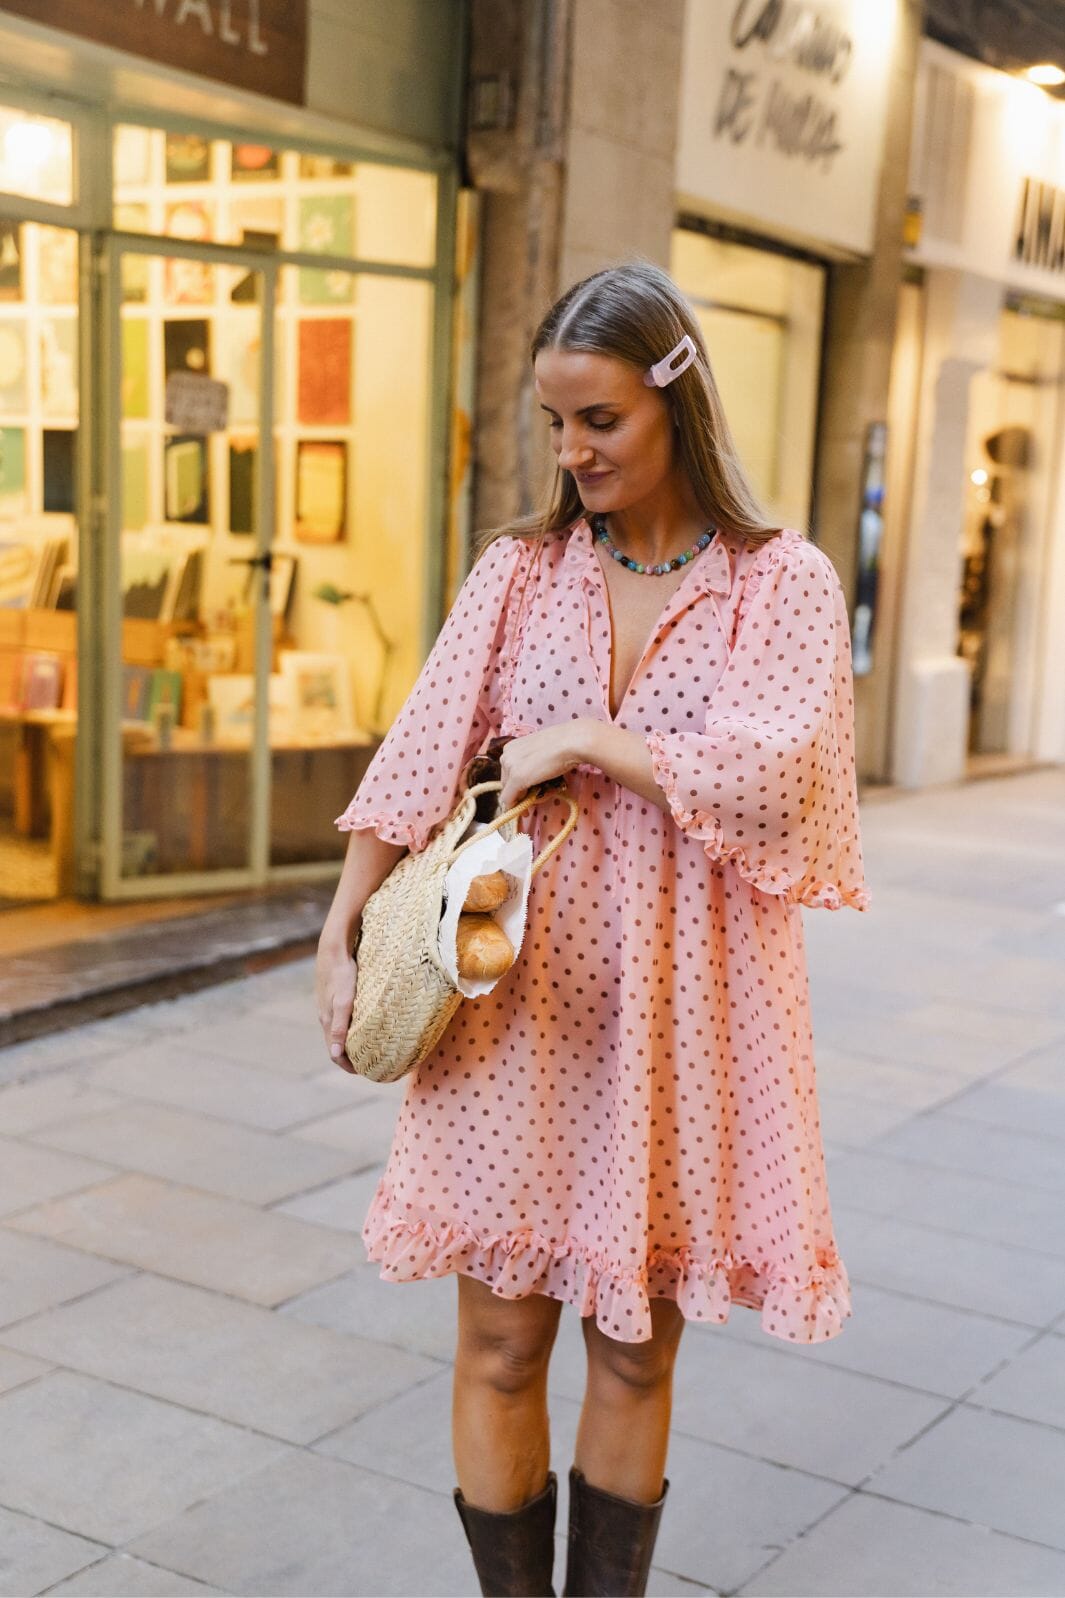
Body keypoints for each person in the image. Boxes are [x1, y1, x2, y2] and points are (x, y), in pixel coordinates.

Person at [316, 259, 870, 1598]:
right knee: (502, 1345)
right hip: (514, 998)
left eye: (600, 420)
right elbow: (423, 751)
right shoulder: (521, 571)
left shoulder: (779, 582)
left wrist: (586, 740)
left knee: (632, 1352)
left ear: (680, 399)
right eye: (555, 421)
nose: (572, 450)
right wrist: (339, 934)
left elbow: (773, 776)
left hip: (688, 1010)